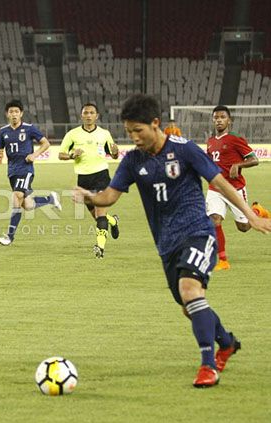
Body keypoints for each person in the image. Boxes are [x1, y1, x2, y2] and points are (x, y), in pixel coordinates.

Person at [73, 94, 271, 388]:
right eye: (129, 132)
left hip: (198, 233)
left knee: (189, 290)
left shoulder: (185, 150)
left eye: (138, 130)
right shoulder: (132, 161)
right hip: (166, 243)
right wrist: (90, 197)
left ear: (155, 123)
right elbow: (110, 197)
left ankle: (208, 366)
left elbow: (218, 182)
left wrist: (249, 216)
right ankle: (227, 342)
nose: (134, 137)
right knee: (187, 303)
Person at [0, 100, 62, 246]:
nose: (14, 114)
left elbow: (46, 143)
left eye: (16, 112)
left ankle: (9, 236)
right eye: (11, 112)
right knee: (28, 205)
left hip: (26, 169)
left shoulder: (30, 129)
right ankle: (49, 199)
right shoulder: (3, 131)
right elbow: (0, 147)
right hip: (12, 171)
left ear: (21, 114)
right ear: (7, 114)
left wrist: (35, 154)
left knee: (17, 196)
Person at [60, 103, 121, 258]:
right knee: (96, 216)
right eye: (85, 113)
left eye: (91, 112)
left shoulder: (104, 133)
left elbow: (113, 153)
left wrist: (115, 153)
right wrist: (73, 155)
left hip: (102, 176)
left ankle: (99, 248)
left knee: (100, 213)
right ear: (81, 115)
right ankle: (113, 221)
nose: (88, 115)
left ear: (97, 115)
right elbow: (61, 154)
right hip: (83, 179)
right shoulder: (72, 134)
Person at [205, 105, 260, 270]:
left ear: (229, 120)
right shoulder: (211, 141)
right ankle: (222, 260)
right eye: (216, 117)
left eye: (222, 117)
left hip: (235, 189)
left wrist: (238, 164)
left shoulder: (235, 139)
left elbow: (254, 159)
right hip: (215, 188)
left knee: (243, 227)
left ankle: (257, 211)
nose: (219, 120)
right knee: (214, 220)